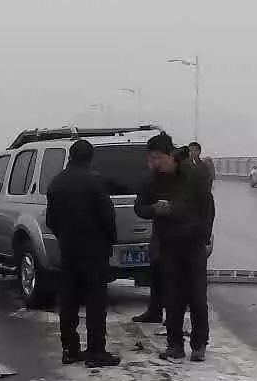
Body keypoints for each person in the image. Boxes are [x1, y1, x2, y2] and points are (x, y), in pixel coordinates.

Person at [134, 133, 215, 362]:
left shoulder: (195, 173)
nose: (155, 163)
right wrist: (154, 209)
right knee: (173, 298)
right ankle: (174, 345)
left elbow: (207, 206)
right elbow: (139, 207)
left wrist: (205, 235)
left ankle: (199, 344)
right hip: (169, 245)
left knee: (197, 297)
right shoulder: (152, 179)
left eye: (158, 158)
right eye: (151, 159)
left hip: (193, 244)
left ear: (170, 155)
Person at [45, 139, 121, 368]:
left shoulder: (57, 182)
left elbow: (51, 220)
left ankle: (69, 349)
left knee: (69, 300)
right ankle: (96, 350)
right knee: (95, 301)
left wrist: (64, 236)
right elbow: (107, 217)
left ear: (70, 156)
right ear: (90, 157)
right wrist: (110, 239)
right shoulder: (95, 181)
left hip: (68, 249)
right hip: (94, 250)